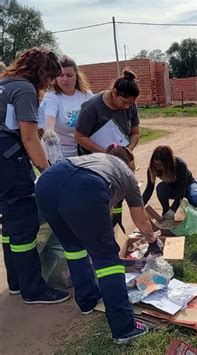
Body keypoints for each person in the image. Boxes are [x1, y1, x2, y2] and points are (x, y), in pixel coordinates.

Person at [35, 145, 154, 344]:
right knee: (107, 258)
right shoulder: (128, 176)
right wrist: (152, 241)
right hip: (83, 187)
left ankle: (88, 299)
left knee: (73, 248)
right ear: (130, 164)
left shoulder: (98, 160)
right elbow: (141, 221)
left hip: (47, 183)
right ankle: (124, 328)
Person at [0, 47, 70, 303]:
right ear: (42, 72)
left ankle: (17, 282)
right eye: (50, 78)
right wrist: (48, 172)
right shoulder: (25, 89)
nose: (49, 84)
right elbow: (28, 137)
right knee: (24, 224)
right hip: (8, 162)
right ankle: (33, 289)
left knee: (10, 224)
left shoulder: (4, 84)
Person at [74, 69, 140, 155]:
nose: (127, 107)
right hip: (93, 159)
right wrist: (106, 153)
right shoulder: (91, 108)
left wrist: (127, 151)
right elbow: (79, 136)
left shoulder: (131, 105)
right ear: (114, 92)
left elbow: (135, 133)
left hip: (119, 156)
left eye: (131, 103)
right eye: (124, 102)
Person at [41, 55, 93, 158]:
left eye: (69, 75)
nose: (65, 79)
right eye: (61, 76)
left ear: (76, 76)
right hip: (59, 153)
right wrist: (49, 132)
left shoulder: (87, 95)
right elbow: (48, 120)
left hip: (84, 150)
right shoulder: (51, 97)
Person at [142, 145, 197, 221]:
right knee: (161, 188)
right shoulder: (152, 169)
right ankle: (166, 211)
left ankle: (191, 211)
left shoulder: (180, 165)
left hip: (187, 185)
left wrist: (173, 209)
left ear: (169, 162)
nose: (158, 167)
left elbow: (182, 189)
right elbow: (149, 190)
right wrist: (140, 206)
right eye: (155, 164)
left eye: (161, 165)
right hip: (171, 188)